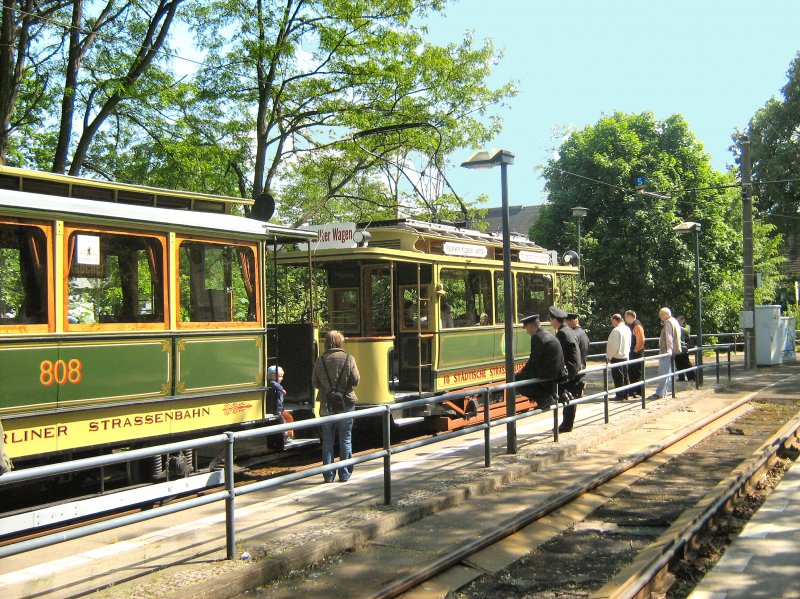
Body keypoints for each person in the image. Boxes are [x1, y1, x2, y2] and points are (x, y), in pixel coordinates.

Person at [312, 330, 360, 483]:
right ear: (340, 342)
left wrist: (328, 388)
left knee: (327, 440)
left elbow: (315, 383)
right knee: (345, 438)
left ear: (326, 342)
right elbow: (355, 380)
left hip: (327, 403)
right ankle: (344, 473)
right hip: (346, 402)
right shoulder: (348, 358)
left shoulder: (320, 360)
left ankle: (328, 475)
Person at [514, 314, 564, 411]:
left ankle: (544, 398)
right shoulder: (547, 333)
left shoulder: (537, 337)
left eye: (526, 328)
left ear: (531, 326)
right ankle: (550, 395)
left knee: (516, 380)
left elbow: (533, 360)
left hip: (548, 372)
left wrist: (521, 372)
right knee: (526, 375)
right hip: (557, 370)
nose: (527, 332)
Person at [547, 306, 581, 433]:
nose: (550, 323)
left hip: (569, 370)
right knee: (569, 396)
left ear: (555, 320)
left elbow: (558, 355)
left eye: (551, 320)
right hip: (574, 367)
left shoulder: (562, 333)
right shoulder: (569, 330)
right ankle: (566, 424)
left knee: (554, 388)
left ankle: (566, 425)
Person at [563, 312, 590, 432]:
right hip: (581, 369)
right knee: (572, 398)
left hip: (575, 371)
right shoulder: (583, 334)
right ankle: (567, 424)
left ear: (572, 321)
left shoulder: (574, 335)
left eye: (567, 322)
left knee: (570, 399)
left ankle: (567, 424)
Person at [650, 307, 682, 399]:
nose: (660, 316)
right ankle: (666, 392)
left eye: (661, 314)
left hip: (666, 351)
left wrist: (669, 349)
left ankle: (660, 393)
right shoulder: (674, 321)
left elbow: (669, 336)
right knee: (669, 371)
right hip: (674, 350)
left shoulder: (668, 322)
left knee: (664, 372)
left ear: (665, 314)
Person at [267, 365, 295, 444]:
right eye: (280, 376)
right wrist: (282, 390)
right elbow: (275, 385)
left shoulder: (273, 383)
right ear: (273, 376)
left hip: (279, 408)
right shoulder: (272, 383)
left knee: (289, 418)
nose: (281, 378)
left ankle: (289, 435)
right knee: (284, 421)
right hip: (277, 409)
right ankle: (286, 436)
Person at [607, 313, 631, 400]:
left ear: (614, 320)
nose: (612, 323)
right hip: (625, 355)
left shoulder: (616, 330)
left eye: (612, 321)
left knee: (618, 377)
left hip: (617, 356)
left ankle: (620, 395)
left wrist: (609, 356)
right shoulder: (627, 328)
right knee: (625, 375)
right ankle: (626, 394)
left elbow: (613, 346)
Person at [624, 310, 646, 398]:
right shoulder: (632, 325)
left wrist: (635, 351)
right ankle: (633, 391)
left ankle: (638, 391)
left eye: (625, 317)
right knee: (632, 372)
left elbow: (641, 340)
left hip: (636, 353)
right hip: (633, 353)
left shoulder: (637, 325)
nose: (625, 319)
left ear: (630, 316)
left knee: (637, 373)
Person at [674, 315, 695, 381]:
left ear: (683, 320)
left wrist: (677, 327)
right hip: (677, 346)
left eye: (679, 320)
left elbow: (687, 332)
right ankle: (681, 377)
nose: (677, 322)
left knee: (686, 362)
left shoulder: (687, 327)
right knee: (678, 362)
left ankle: (692, 376)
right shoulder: (677, 328)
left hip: (684, 346)